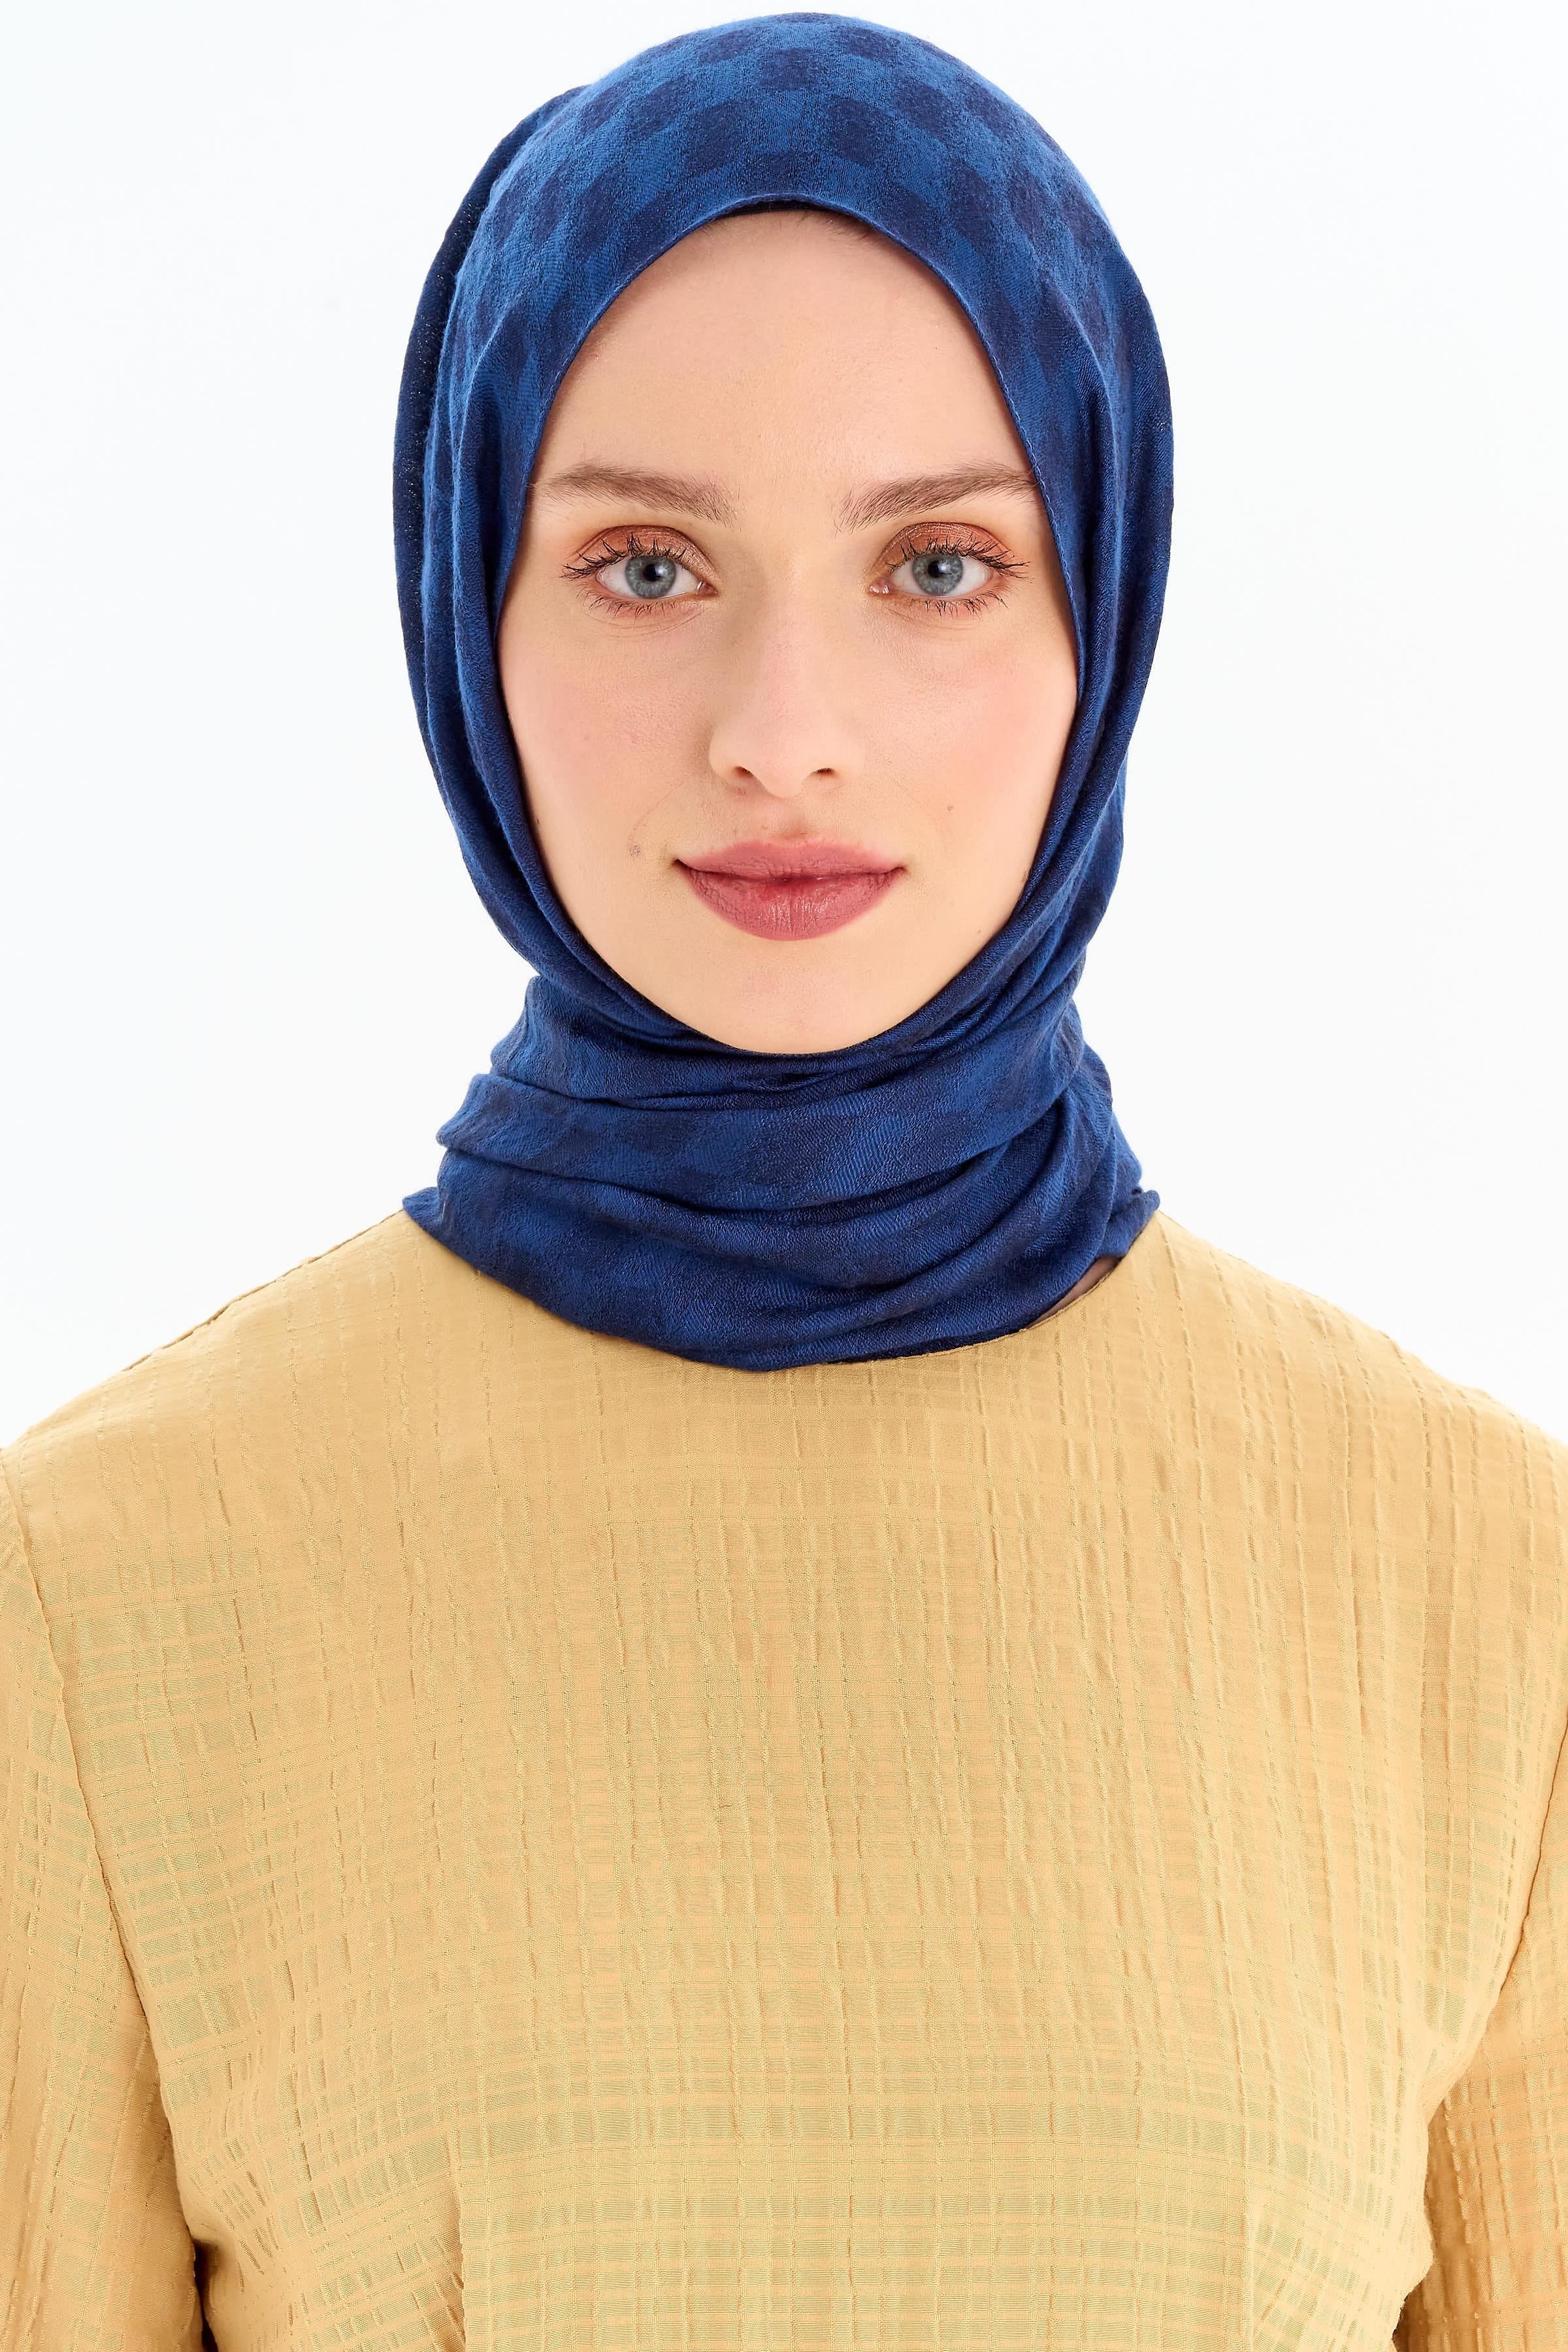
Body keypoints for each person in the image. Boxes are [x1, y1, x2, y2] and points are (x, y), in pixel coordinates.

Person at [3, 16, 1563, 2349]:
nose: (783, 733)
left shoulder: (1489, 1588)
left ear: (1106, 603)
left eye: (938, 564)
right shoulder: (99, 1589)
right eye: (644, 566)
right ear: (467, 604)